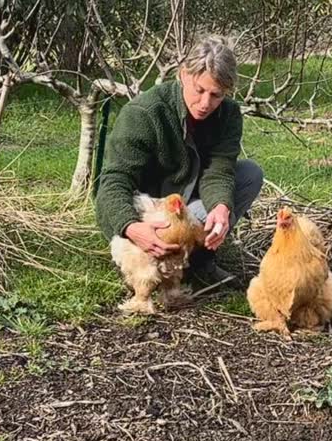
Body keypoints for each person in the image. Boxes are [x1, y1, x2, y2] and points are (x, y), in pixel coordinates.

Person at [95, 37, 264, 286]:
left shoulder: (228, 114)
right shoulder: (144, 113)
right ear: (184, 75)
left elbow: (219, 170)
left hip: (185, 208)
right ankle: (151, 263)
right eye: (199, 90)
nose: (206, 104)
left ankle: (200, 262)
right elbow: (114, 181)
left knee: (249, 174)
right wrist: (129, 226)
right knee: (160, 226)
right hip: (149, 214)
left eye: (216, 95)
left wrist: (221, 206)